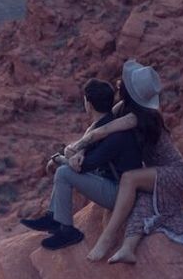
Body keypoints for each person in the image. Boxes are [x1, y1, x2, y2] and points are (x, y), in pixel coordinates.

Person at [69, 60, 183, 264]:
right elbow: (96, 127)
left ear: (129, 91)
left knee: (129, 179)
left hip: (174, 173)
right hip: (155, 171)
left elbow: (102, 131)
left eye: (124, 82)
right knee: (140, 205)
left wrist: (75, 148)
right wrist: (82, 151)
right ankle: (127, 249)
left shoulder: (137, 117)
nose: (119, 82)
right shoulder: (124, 108)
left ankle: (107, 239)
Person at [20, 78, 144, 250]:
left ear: (88, 104)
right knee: (65, 168)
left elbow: (83, 166)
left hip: (121, 194)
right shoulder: (106, 123)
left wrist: (58, 159)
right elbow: (85, 151)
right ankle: (53, 218)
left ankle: (67, 232)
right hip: (115, 182)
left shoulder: (113, 135)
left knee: (64, 172)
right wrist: (70, 155)